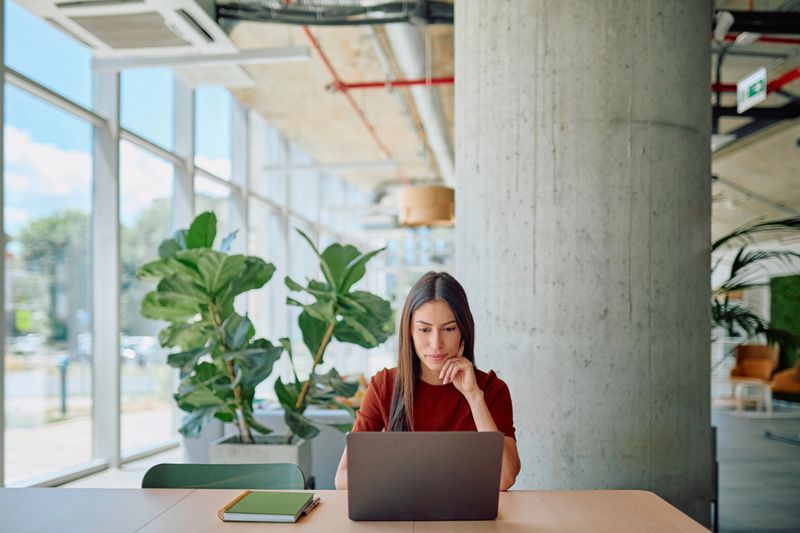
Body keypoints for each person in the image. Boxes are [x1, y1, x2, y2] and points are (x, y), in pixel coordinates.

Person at [334, 271, 521, 491]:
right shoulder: (384, 385)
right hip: (401, 515)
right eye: (424, 329)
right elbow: (343, 479)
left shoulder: (491, 389)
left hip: (467, 521)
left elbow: (504, 478)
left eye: (449, 329)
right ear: (409, 333)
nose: (436, 343)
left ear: (464, 331)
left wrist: (473, 396)